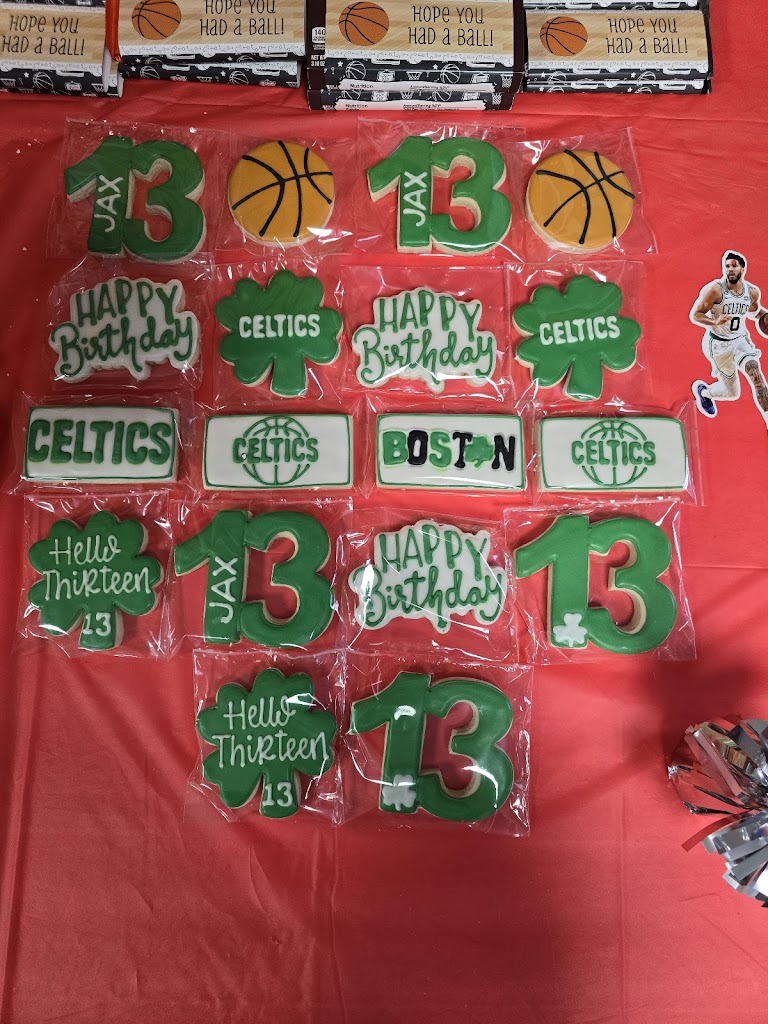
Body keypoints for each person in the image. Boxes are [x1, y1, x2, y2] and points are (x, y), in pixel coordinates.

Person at [690, 250, 768, 427]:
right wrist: (714, 321)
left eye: (734, 266)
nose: (730, 270)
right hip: (718, 344)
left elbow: (757, 314)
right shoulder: (715, 290)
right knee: (732, 393)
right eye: (727, 266)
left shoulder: (751, 292)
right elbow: (696, 314)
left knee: (756, 374)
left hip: (740, 341)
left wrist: (765, 318)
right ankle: (704, 393)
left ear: (743, 269)